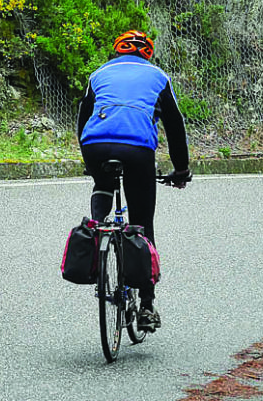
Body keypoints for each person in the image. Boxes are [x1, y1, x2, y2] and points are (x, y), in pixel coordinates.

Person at [77, 29, 192, 332]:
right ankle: (147, 305)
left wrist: (90, 161)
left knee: (102, 184)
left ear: (118, 51)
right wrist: (181, 170)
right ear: (147, 54)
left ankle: (97, 229)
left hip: (95, 144)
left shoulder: (99, 73)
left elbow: (83, 116)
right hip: (137, 148)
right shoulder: (158, 76)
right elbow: (175, 125)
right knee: (141, 222)